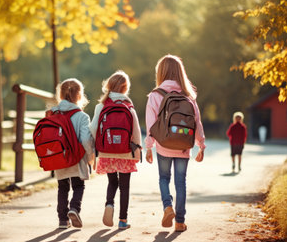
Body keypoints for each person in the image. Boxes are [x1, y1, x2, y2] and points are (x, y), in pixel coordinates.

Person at [145, 54, 206, 232]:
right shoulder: (188, 96)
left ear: (160, 72)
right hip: (183, 146)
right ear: (180, 72)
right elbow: (197, 122)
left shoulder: (155, 95)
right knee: (181, 182)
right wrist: (201, 145)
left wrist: (149, 146)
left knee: (164, 178)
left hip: (163, 145)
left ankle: (167, 207)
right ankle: (180, 222)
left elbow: (151, 124)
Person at [90, 70, 142, 230]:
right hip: (126, 152)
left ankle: (109, 204)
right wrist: (138, 151)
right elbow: (136, 132)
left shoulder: (101, 106)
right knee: (125, 186)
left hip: (107, 151)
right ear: (125, 88)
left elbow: (93, 129)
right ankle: (123, 220)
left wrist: (95, 149)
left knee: (112, 182)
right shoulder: (129, 107)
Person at [51, 78, 94, 229]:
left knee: (62, 187)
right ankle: (74, 209)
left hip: (58, 157)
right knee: (78, 186)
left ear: (60, 94)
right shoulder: (82, 116)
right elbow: (85, 140)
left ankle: (63, 219)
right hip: (76, 157)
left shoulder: (53, 113)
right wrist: (90, 158)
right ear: (79, 95)